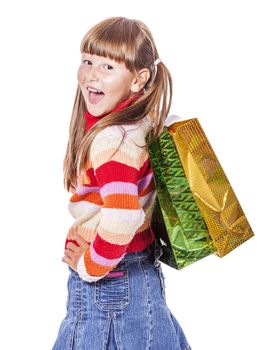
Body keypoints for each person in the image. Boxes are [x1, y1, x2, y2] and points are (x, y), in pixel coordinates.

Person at [52, 16, 192, 350]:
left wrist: (90, 265)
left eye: (108, 66)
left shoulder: (111, 139)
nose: (92, 74)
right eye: (88, 61)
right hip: (136, 271)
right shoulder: (140, 123)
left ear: (138, 79)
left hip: (112, 284)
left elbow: (123, 215)